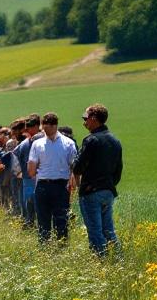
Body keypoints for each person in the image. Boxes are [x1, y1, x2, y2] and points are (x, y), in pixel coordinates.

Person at [70, 103, 122, 257]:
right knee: (109, 230)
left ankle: (102, 263)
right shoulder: (115, 141)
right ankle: (118, 260)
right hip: (108, 191)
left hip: (91, 192)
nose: (84, 122)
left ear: (93, 118)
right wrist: (109, 185)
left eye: (85, 118)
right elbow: (118, 170)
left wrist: (74, 161)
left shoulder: (91, 140)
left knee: (95, 232)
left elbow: (77, 168)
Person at [27, 111, 78, 243]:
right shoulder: (66, 143)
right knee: (48, 218)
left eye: (47, 127)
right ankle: (46, 246)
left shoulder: (68, 143)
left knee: (58, 218)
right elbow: (31, 170)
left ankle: (59, 245)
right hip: (46, 185)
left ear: (55, 126)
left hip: (60, 185)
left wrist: (73, 183)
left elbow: (74, 167)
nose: (44, 130)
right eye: (43, 127)